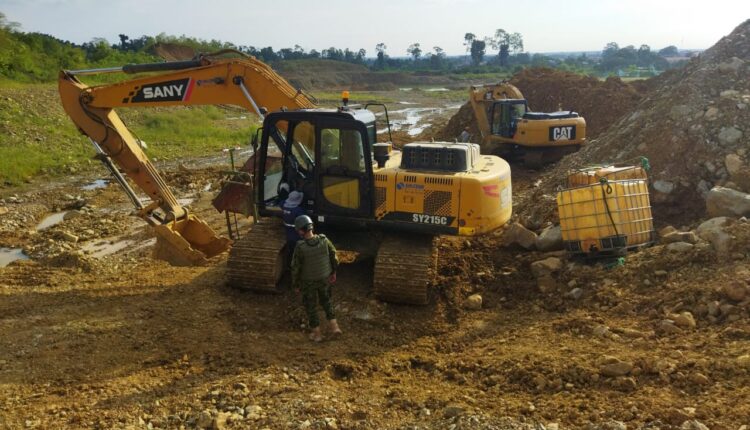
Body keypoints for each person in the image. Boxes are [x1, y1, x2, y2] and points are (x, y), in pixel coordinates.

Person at [291, 215, 341, 342]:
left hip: (308, 282)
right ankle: (335, 327)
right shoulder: (324, 240)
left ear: (301, 231)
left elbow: (295, 268)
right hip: (324, 278)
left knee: (311, 306)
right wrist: (333, 272)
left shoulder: (300, 246)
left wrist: (295, 284)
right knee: (326, 301)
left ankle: (317, 334)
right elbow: (334, 257)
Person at [281, 190, 305, 264]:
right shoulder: (298, 211)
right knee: (297, 250)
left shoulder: (284, 206)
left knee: (291, 249)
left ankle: (289, 264)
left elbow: (281, 202)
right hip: (296, 234)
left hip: (287, 232)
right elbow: (303, 220)